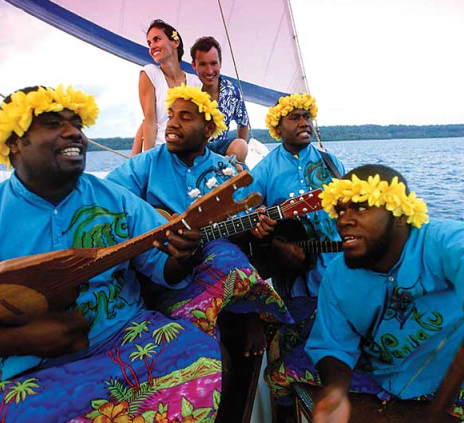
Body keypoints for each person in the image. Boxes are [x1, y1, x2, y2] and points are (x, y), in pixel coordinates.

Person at [0, 85, 223, 422]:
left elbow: (162, 268)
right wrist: (24, 339)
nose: (74, 133)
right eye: (53, 123)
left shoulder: (117, 200)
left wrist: (184, 254)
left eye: (77, 124)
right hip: (26, 372)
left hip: (128, 342)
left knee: (200, 357)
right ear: (14, 142)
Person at [307, 164, 464, 422]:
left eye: (361, 207)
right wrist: (336, 392)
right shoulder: (336, 274)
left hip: (448, 381)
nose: (343, 220)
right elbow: (333, 344)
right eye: (339, 210)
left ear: (400, 215)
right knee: (278, 374)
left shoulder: (442, 240)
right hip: (374, 374)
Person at [107, 84, 292, 357]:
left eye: (185, 117)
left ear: (207, 130)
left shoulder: (226, 170)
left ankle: (245, 314)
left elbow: (240, 231)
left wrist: (257, 230)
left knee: (224, 251)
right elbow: (108, 197)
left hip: (213, 265)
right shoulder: (147, 163)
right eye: (171, 115)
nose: (172, 123)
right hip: (161, 268)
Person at [248, 93, 345, 419]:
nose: (304, 122)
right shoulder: (264, 170)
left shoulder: (332, 163)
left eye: (307, 116)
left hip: (339, 279)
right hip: (296, 286)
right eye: (295, 118)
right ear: (277, 126)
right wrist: (272, 241)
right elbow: (247, 216)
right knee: (290, 360)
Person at [131, 19, 201, 156]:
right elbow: (149, 122)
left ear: (175, 42)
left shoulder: (196, 83)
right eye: (149, 43)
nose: (152, 47)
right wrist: (149, 162)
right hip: (160, 152)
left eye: (157, 39)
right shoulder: (150, 73)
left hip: (186, 153)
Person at [190, 36, 249, 169]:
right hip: (194, 150)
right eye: (203, 64)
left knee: (241, 147)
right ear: (194, 65)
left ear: (220, 63)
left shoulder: (232, 91)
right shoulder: (188, 90)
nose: (209, 71)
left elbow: (243, 122)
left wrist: (240, 155)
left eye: (213, 63)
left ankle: (232, 166)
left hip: (221, 149)